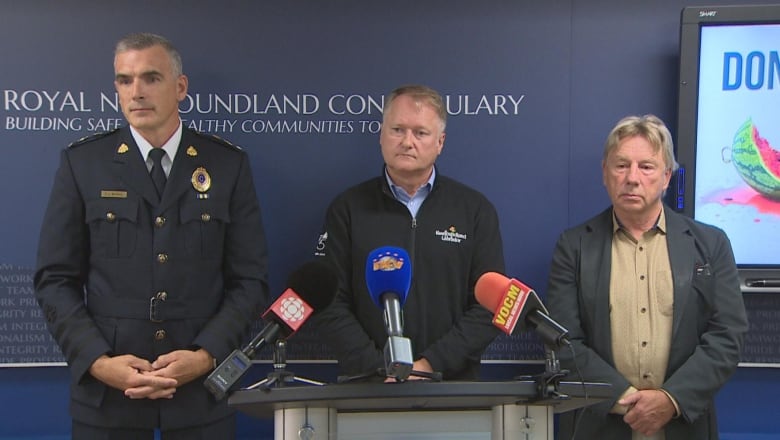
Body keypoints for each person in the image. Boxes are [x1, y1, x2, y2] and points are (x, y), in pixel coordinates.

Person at [34, 33, 269, 438]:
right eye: (125, 81)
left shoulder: (227, 165)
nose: (136, 92)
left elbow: (249, 281)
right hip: (109, 399)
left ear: (180, 87)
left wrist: (206, 354)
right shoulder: (83, 164)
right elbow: (54, 280)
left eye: (150, 78)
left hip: (201, 396)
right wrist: (97, 361)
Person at [546, 114, 748, 439]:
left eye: (647, 167)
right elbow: (562, 340)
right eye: (621, 165)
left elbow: (728, 335)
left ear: (666, 177)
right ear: (605, 173)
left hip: (683, 426)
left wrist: (671, 400)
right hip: (600, 426)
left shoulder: (710, 244)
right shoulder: (574, 246)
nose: (632, 178)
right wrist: (627, 401)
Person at [313, 84, 505, 381]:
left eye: (420, 133)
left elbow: (491, 305)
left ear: (440, 142)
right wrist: (380, 369)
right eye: (397, 130)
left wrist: (429, 365)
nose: (407, 141)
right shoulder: (347, 209)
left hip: (452, 389)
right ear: (381, 136)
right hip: (369, 389)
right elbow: (328, 303)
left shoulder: (475, 210)